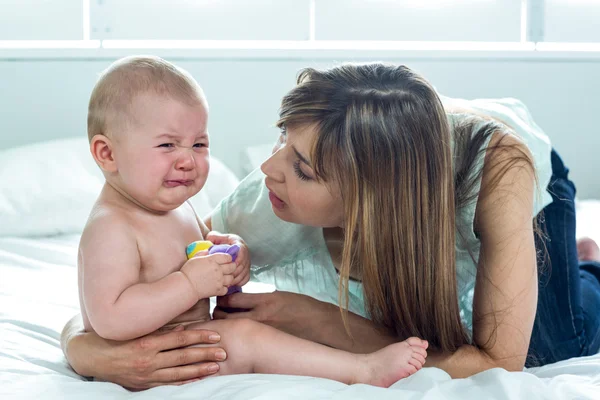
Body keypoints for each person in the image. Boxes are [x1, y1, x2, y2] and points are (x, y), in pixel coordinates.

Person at [62, 62, 600, 388]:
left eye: (303, 168)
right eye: (282, 140)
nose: (269, 170)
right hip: (403, 151)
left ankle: (578, 265)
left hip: (512, 179)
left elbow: (496, 363)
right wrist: (85, 350)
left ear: (372, 202)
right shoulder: (267, 197)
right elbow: (125, 286)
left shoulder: (502, 174)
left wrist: (315, 317)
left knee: (550, 345)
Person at [71, 56, 428, 390]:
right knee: (248, 339)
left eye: (198, 144)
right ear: (107, 153)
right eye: (167, 145)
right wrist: (189, 284)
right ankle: (362, 371)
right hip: (156, 361)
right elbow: (111, 318)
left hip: (189, 344)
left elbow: (193, 246)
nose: (187, 160)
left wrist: (226, 246)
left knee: (250, 331)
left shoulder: (174, 207)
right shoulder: (111, 227)